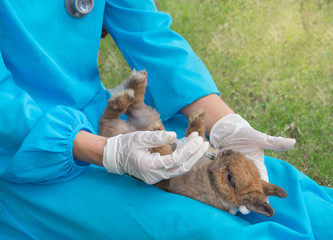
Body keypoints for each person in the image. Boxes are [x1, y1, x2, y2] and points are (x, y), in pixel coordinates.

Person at [0, 1, 332, 239]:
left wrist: (226, 123)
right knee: (204, 229)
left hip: (98, 118)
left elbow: (147, 33)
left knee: (306, 205)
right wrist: (107, 153)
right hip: (27, 154)